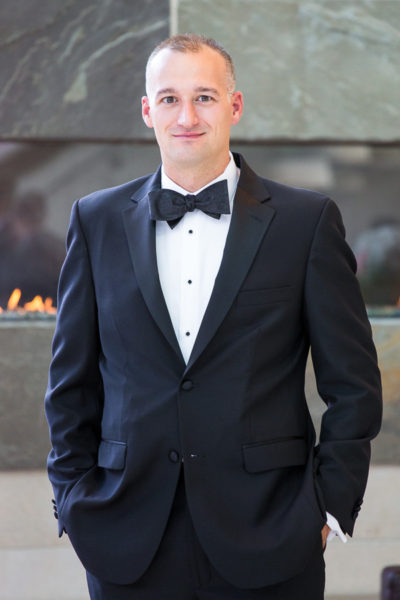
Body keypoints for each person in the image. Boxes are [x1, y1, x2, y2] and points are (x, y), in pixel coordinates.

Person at [45, 34, 382, 600]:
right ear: (148, 110)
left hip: (273, 533)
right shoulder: (94, 219)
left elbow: (354, 385)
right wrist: (74, 500)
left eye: (204, 96)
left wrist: (327, 509)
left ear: (234, 106)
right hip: (126, 535)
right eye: (170, 98)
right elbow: (69, 384)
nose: (187, 115)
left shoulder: (307, 221)